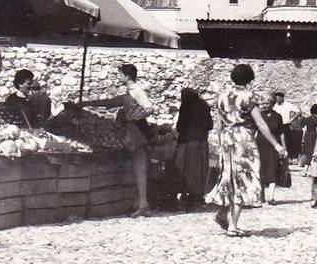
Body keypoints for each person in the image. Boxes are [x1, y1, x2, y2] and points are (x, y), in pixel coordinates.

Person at [205, 65, 286, 236]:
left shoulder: (222, 97)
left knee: (229, 177)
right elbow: (261, 123)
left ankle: (222, 214)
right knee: (242, 178)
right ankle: (233, 225)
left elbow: (218, 126)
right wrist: (276, 144)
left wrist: (222, 142)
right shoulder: (249, 97)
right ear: (250, 79)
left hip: (227, 139)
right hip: (244, 139)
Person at [71, 63, 156, 218]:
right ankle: (140, 201)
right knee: (138, 167)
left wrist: (135, 117)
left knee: (140, 168)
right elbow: (110, 102)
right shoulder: (129, 92)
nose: (118, 77)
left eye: (120, 74)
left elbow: (150, 108)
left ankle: (143, 203)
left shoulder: (137, 91)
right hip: (133, 133)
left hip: (137, 134)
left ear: (127, 76)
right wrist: (86, 104)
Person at [174, 87, 213, 211]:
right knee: (198, 170)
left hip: (187, 143)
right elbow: (210, 125)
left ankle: (186, 196)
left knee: (185, 170)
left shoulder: (185, 106)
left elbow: (180, 126)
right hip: (201, 142)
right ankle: (197, 196)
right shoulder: (204, 105)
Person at [257, 90, 287, 205]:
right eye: (262, 103)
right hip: (260, 144)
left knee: (273, 169)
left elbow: (281, 133)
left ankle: (271, 197)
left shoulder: (278, 116)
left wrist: (284, 148)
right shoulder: (258, 115)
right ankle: (261, 196)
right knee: (261, 170)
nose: (264, 105)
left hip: (274, 146)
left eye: (266, 103)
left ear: (272, 103)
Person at [273, 92, 300, 161]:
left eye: (277, 98)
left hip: (285, 125)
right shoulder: (275, 106)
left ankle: (290, 157)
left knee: (287, 141)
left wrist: (291, 119)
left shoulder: (288, 105)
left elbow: (298, 111)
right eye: (275, 98)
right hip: (277, 125)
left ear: (281, 98)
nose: (276, 99)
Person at [299, 104, 317, 176]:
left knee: (308, 153)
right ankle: (309, 171)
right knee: (313, 153)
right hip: (314, 136)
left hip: (307, 136)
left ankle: (306, 171)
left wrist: (303, 139)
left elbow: (304, 129)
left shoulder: (307, 119)